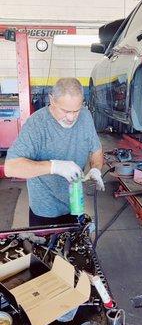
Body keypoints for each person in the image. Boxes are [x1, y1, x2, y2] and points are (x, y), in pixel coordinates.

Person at [4, 78, 104, 226]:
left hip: (75, 204)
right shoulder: (36, 124)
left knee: (76, 247)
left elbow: (96, 149)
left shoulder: (85, 116)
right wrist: (54, 166)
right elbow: (10, 167)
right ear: (52, 100)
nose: (71, 117)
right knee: (45, 249)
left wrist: (96, 168)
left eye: (76, 110)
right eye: (65, 111)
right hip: (45, 211)